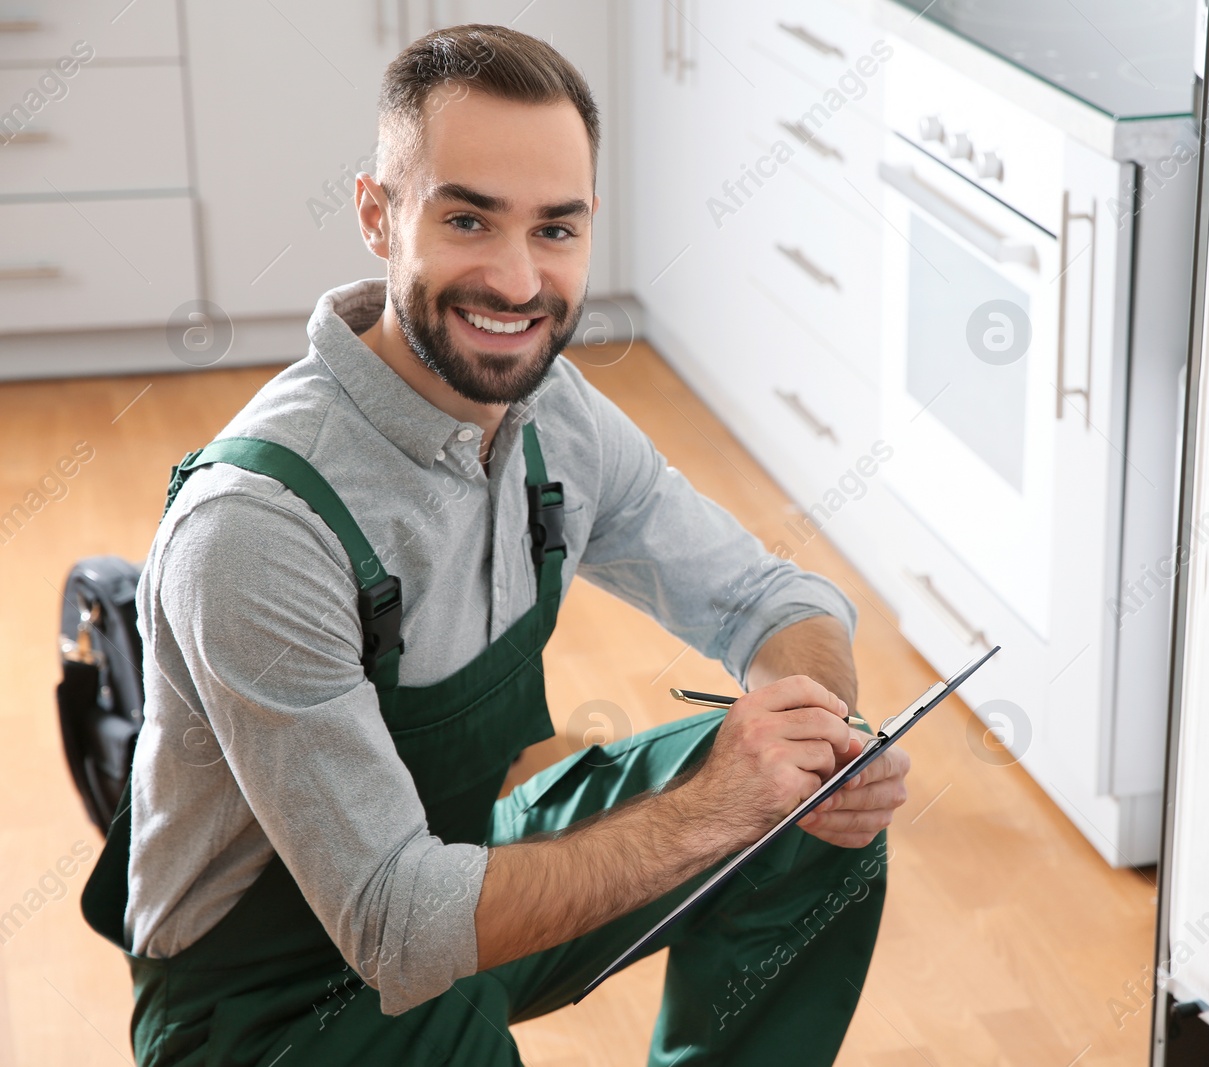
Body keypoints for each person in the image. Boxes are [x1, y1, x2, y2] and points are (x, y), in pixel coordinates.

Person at [81, 23, 911, 1067]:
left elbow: (773, 596)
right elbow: (398, 926)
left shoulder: (552, 412)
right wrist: (712, 805)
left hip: (458, 862)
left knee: (804, 810)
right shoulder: (256, 526)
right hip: (269, 998)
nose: (518, 283)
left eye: (554, 230)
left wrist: (818, 733)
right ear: (379, 215)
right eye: (469, 219)